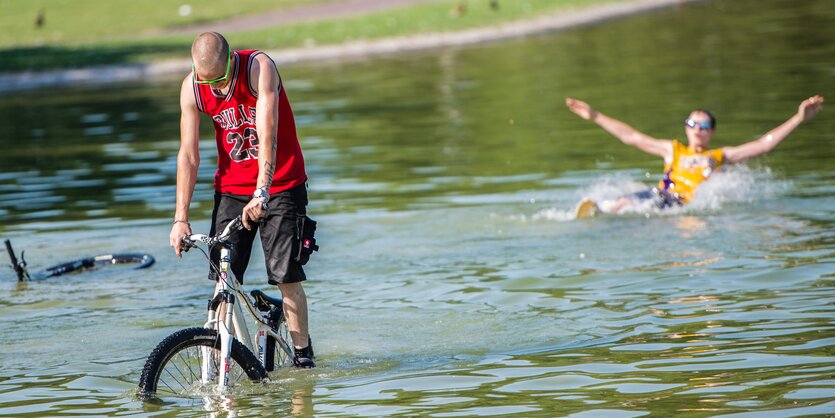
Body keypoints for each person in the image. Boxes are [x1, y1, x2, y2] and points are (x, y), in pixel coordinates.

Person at [168, 32, 315, 368]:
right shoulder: (192, 88)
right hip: (231, 188)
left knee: (285, 274)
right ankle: (220, 361)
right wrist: (180, 218)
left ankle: (303, 357)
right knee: (223, 277)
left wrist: (262, 191)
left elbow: (268, 135)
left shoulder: (258, 68)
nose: (216, 89)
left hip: (280, 183)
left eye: (220, 80)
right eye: (208, 81)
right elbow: (188, 156)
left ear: (231, 60)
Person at [565, 95, 824, 214]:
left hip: (684, 206)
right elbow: (631, 136)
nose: (697, 131)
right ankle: (601, 211)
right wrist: (595, 115)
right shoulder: (672, 150)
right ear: (685, 128)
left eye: (703, 126)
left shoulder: (721, 155)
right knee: (625, 200)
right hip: (661, 195)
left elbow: (764, 144)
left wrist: (798, 119)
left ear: (712, 132)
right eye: (692, 125)